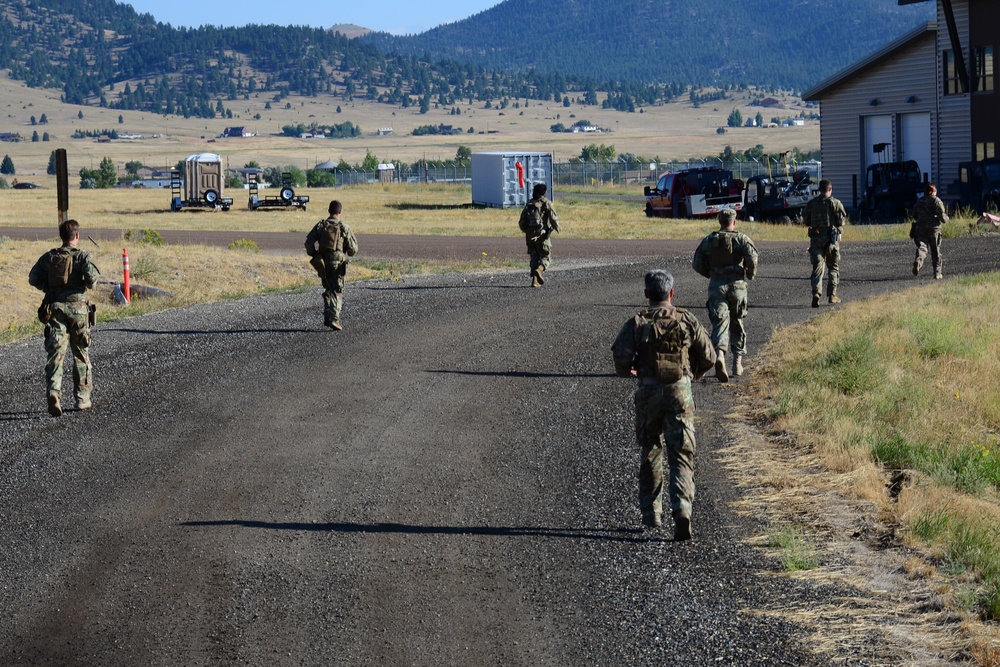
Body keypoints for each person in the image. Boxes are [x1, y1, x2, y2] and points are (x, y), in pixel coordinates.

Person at [611, 270, 716, 540]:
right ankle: (682, 509)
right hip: (679, 392)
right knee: (681, 453)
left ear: (647, 294)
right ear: (671, 293)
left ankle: (651, 513)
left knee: (651, 449)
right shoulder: (687, 319)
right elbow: (709, 355)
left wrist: (632, 371)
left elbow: (620, 359)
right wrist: (691, 375)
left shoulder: (636, 322)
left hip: (647, 392)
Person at [28, 219, 101, 417]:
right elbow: (93, 281)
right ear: (76, 236)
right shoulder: (83, 256)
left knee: (55, 354)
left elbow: (32, 278)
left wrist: (50, 288)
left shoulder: (49, 257)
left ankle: (54, 392)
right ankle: (82, 399)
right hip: (78, 311)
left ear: (62, 236)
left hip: (55, 309)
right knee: (81, 353)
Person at [692, 208, 759, 381]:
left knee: (720, 322)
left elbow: (697, 262)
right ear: (734, 222)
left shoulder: (709, 240)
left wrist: (711, 273)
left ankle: (720, 355)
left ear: (720, 221)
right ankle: (737, 362)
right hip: (737, 286)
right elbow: (752, 257)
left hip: (717, 285)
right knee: (737, 321)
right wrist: (749, 274)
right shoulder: (741, 239)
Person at [305, 200, 359, 331]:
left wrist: (315, 255)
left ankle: (327, 316)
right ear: (340, 212)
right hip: (338, 261)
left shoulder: (321, 225)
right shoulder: (344, 227)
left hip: (322, 261)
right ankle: (334, 319)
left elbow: (308, 243)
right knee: (337, 290)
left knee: (328, 288)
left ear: (329, 211)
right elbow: (353, 249)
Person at [803, 179, 847, 307]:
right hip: (831, 242)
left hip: (816, 241)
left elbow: (806, 220)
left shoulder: (811, 204)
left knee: (817, 268)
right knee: (833, 267)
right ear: (830, 189)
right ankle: (832, 295)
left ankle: (816, 293)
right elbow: (841, 222)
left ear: (819, 189)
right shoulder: (835, 203)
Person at [518, 183, 560, 287]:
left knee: (534, 257)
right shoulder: (546, 203)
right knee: (546, 256)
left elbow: (522, 222)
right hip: (542, 234)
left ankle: (535, 281)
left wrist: (527, 231)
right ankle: (540, 270)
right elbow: (553, 218)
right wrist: (557, 227)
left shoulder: (529, 204)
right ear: (544, 192)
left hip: (530, 235)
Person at [910, 182, 949, 279]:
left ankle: (919, 261)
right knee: (935, 251)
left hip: (920, 229)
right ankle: (937, 273)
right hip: (933, 230)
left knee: (922, 247)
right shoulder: (936, 201)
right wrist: (947, 218)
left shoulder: (919, 201)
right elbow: (942, 217)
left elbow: (914, 215)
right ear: (933, 191)